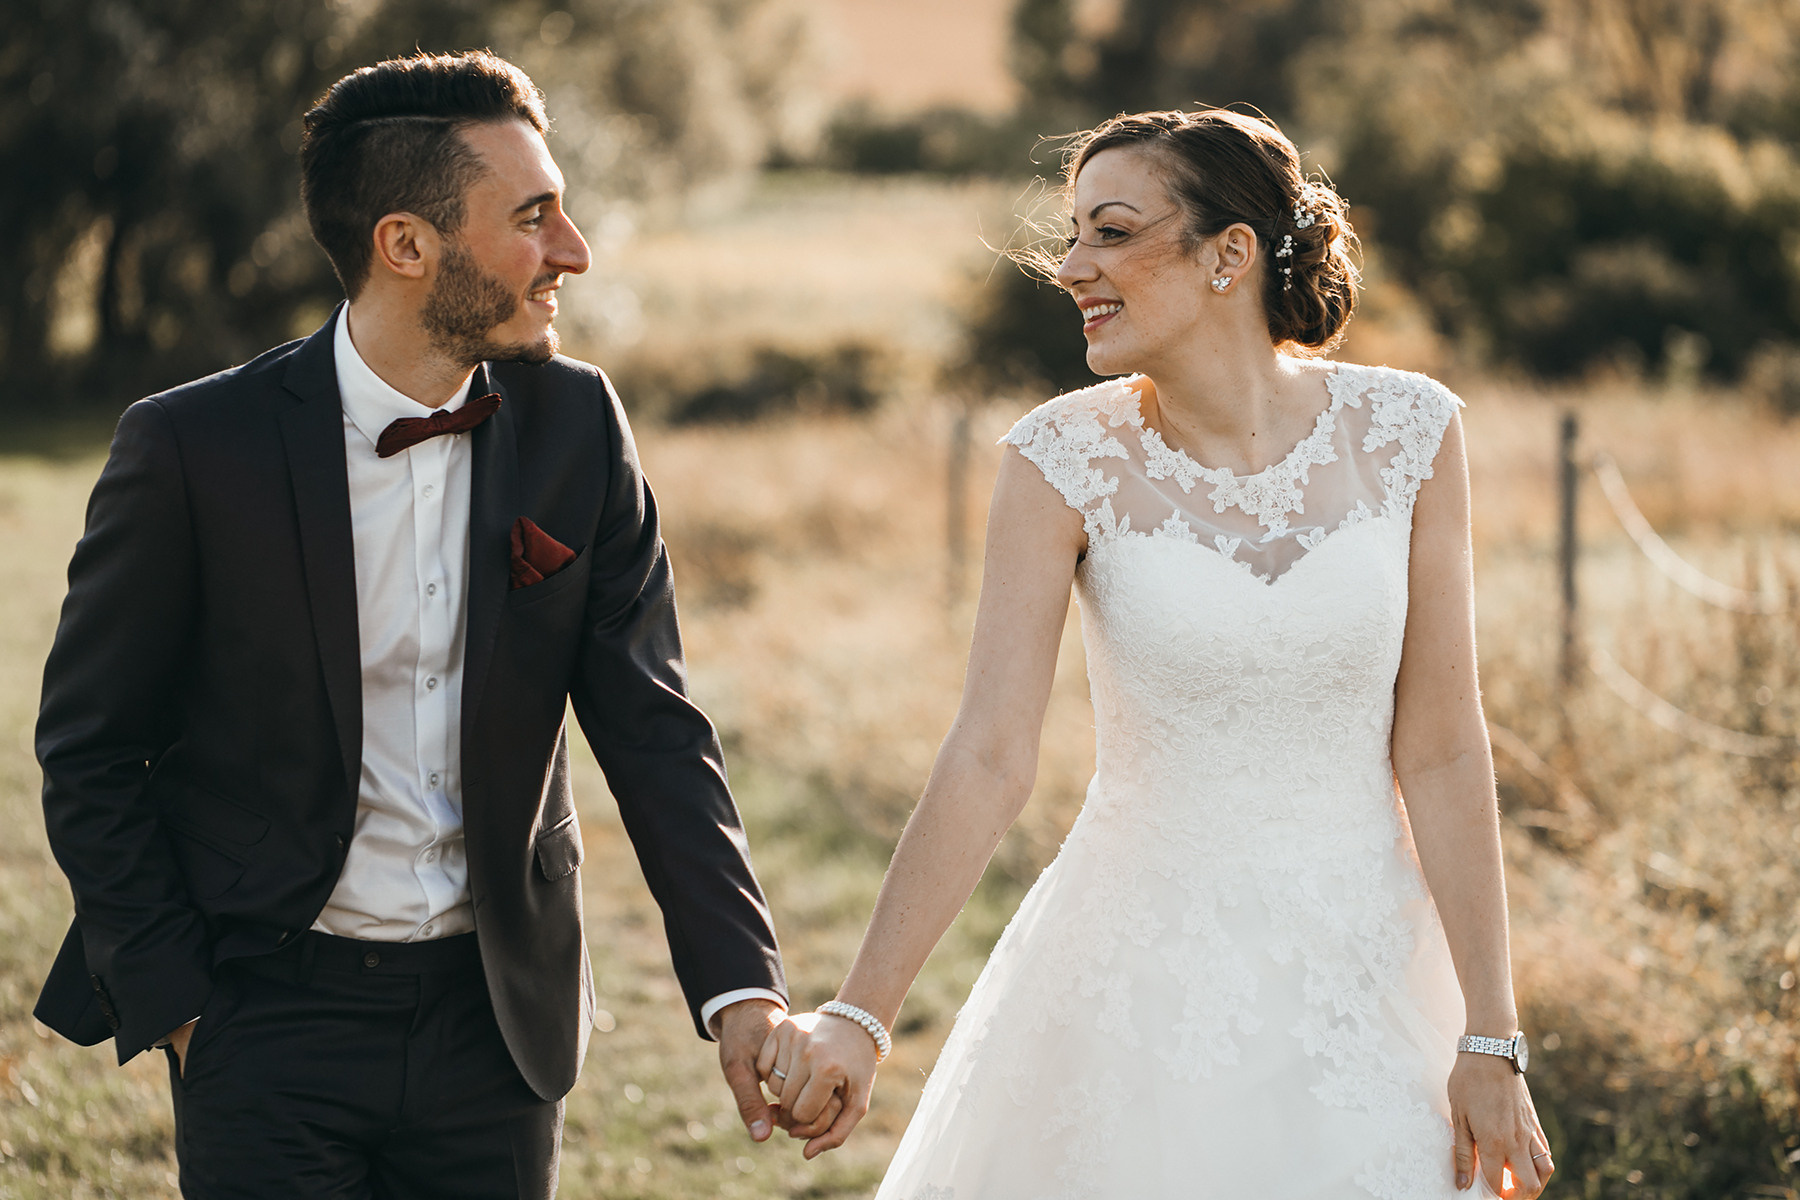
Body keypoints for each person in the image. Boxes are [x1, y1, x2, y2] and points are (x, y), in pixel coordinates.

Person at [758, 108, 1557, 1199]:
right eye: (1073, 233)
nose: (1072, 266)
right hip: (1136, 980)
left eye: (1113, 233)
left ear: (1228, 255)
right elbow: (990, 756)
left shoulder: (1411, 433)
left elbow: (1446, 749)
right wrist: (859, 1015)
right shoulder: (1059, 460)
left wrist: (1490, 1031)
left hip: (1372, 981)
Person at [33, 50, 791, 1200]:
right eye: (534, 217)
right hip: (263, 1013)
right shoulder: (191, 449)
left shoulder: (578, 425)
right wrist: (180, 1003)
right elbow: (92, 747)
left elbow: (653, 725)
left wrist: (740, 989)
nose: (573, 251)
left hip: (499, 1021)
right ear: (406, 244)